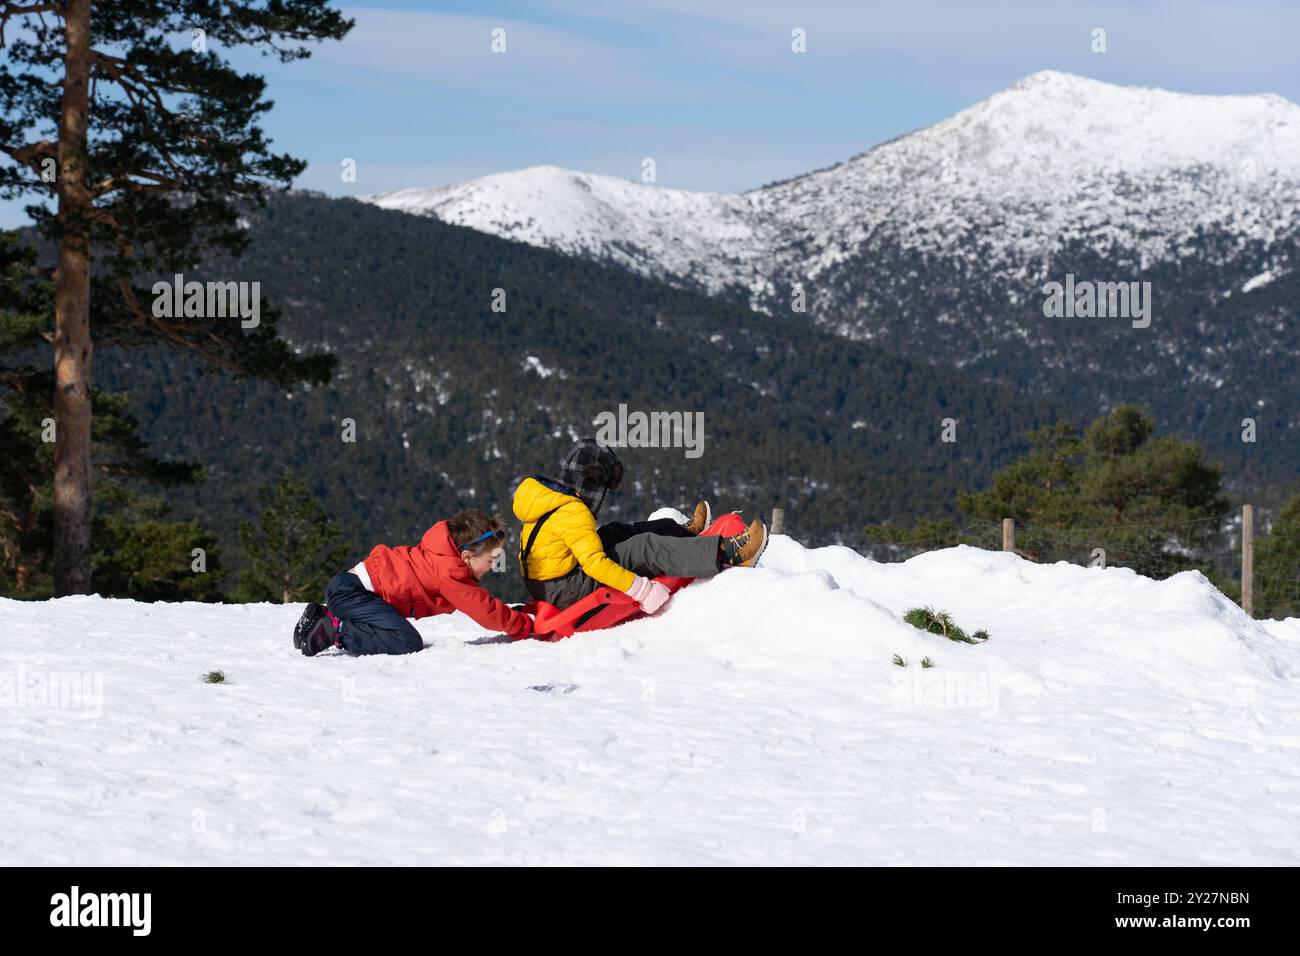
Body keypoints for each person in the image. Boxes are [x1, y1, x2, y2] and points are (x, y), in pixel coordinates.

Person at [512, 438, 767, 614]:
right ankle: (730, 554)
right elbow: (594, 564)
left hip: (545, 584)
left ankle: (684, 534)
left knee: (613, 533)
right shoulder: (574, 510)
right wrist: (642, 590)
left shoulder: (550, 498)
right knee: (643, 548)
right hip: (564, 590)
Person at [293, 509, 533, 656]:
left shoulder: (440, 555)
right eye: (491, 559)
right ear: (467, 555)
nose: (493, 566)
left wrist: (517, 614)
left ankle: (330, 617)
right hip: (354, 595)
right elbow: (485, 610)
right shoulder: (448, 571)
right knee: (406, 640)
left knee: (397, 632)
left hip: (349, 589)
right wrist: (525, 625)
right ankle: (336, 629)